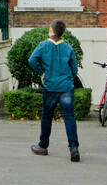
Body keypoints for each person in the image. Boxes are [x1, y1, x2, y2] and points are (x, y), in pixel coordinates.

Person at [28, 19, 80, 161]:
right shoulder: (68, 48)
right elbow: (74, 69)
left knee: (47, 115)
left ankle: (43, 146)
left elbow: (32, 60)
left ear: (51, 30)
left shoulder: (43, 45)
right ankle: (73, 147)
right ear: (62, 32)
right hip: (66, 87)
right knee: (69, 116)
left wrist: (41, 73)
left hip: (50, 86)